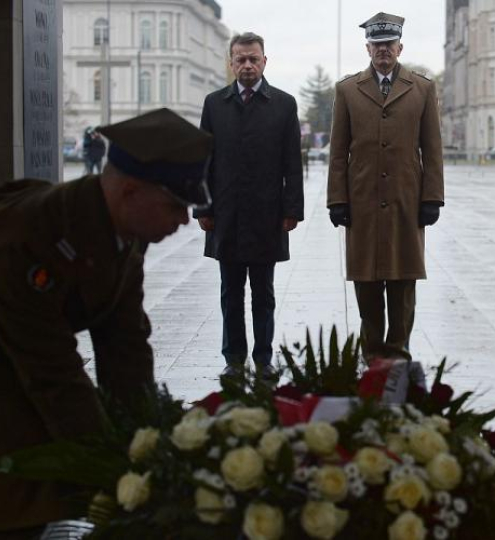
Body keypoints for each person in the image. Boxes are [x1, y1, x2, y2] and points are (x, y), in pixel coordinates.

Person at [0, 108, 213, 537]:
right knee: (20, 482)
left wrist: (148, 440)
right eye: (175, 204)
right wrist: (113, 465)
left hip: (22, 359)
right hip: (14, 361)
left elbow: (126, 347)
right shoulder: (33, 236)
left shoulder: (121, 230)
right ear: (131, 191)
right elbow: (53, 374)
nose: (185, 220)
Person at [326, 12, 444, 359]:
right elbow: (337, 151)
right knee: (366, 281)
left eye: (388, 44)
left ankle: (399, 355)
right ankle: (373, 355)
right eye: (377, 45)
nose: (383, 51)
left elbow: (433, 148)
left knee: (404, 280)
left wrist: (432, 197)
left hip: (406, 199)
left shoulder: (422, 88)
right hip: (362, 199)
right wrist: (338, 200)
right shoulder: (348, 89)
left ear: (399, 46)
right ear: (368, 48)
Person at [195, 32, 303, 377]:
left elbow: (292, 163)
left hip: (266, 215)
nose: (247, 65)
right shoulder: (214, 104)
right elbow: (202, 161)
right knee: (230, 292)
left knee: (264, 293)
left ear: (264, 61)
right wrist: (202, 208)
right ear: (231, 63)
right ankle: (234, 360)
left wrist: (292, 210)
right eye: (240, 59)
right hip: (225, 214)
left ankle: (263, 358)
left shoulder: (284, 105)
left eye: (253, 58)